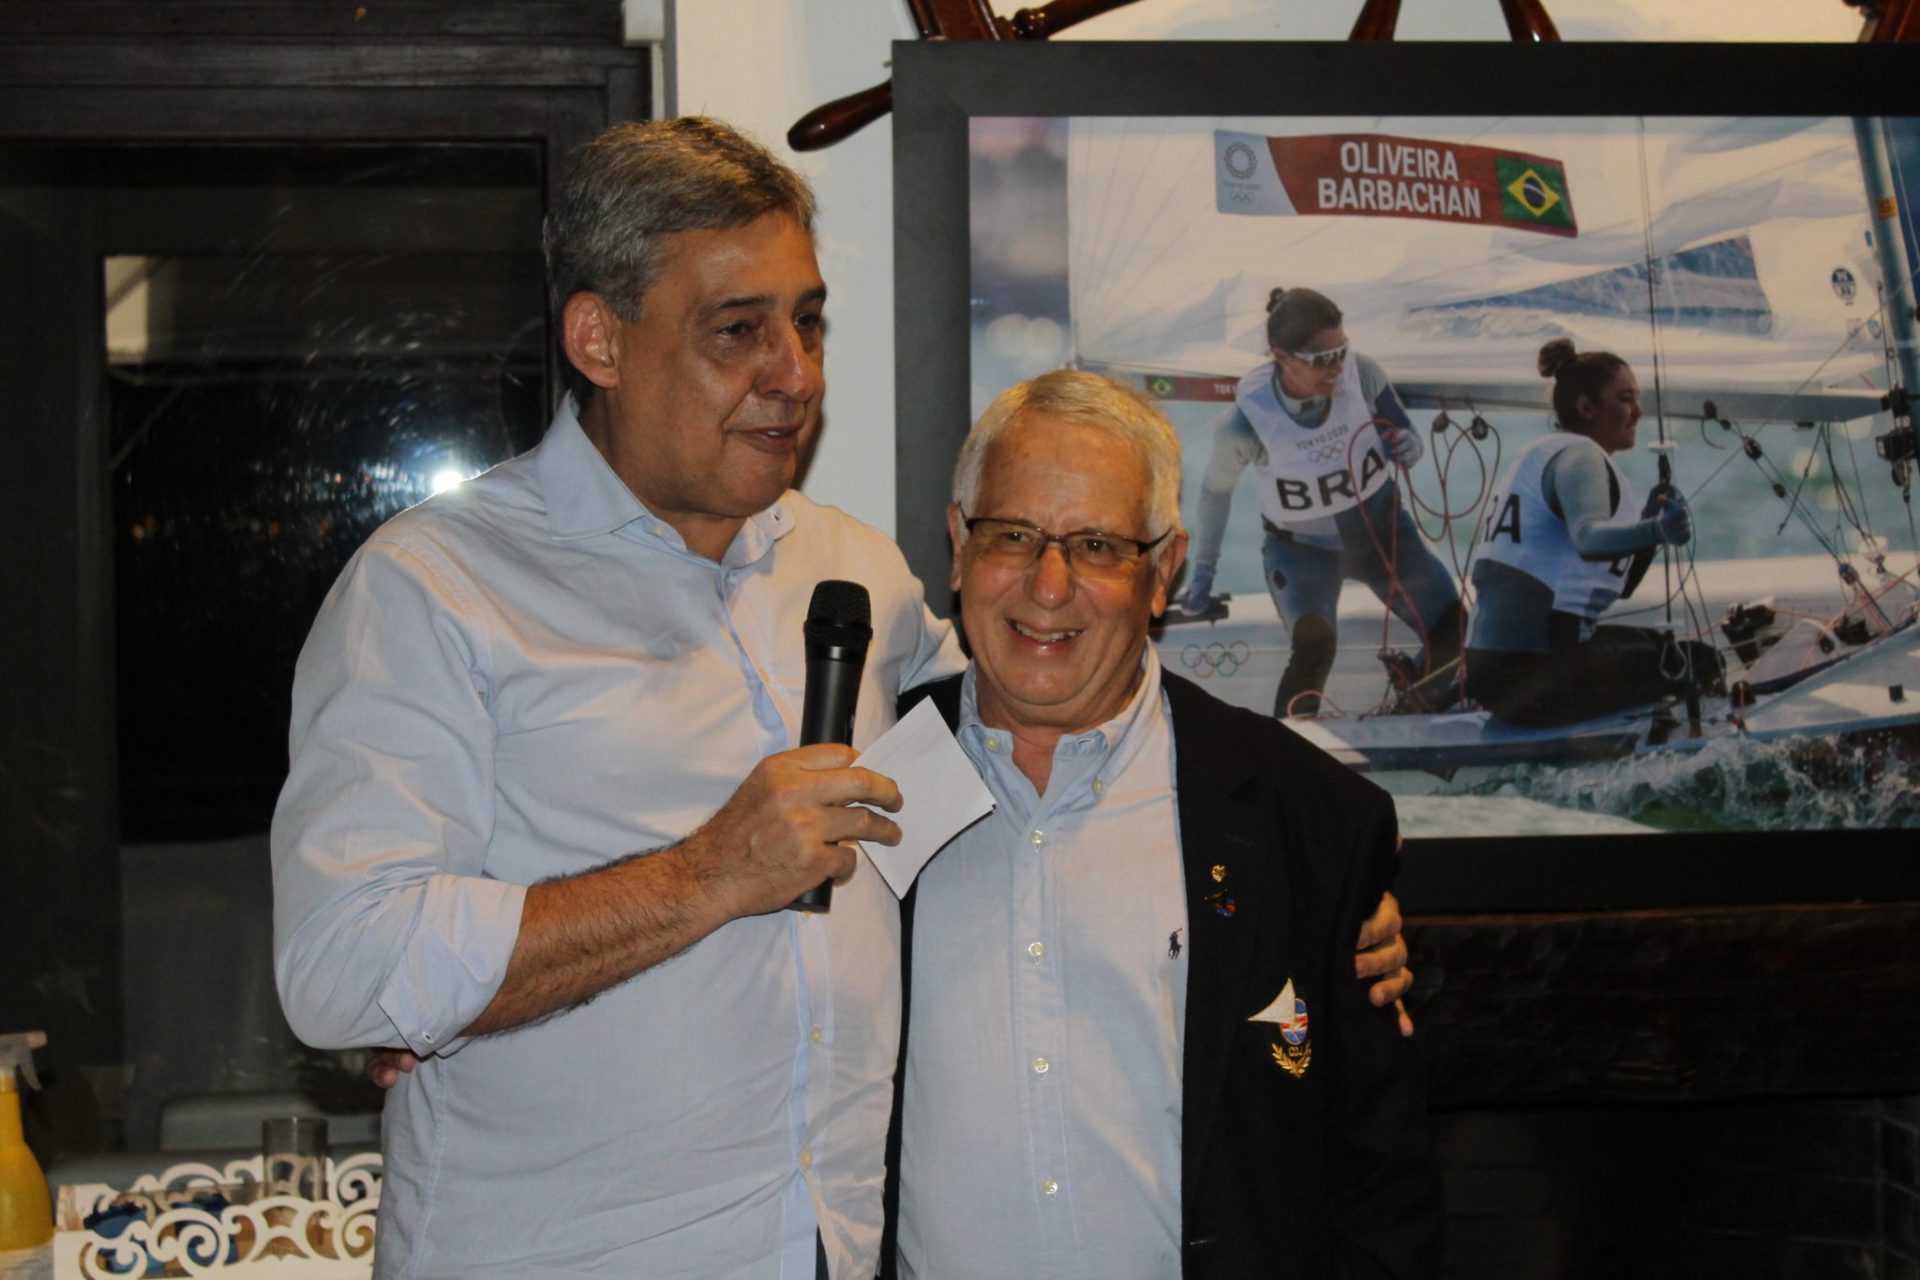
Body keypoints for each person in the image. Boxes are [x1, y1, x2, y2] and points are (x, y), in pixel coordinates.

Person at [278, 118, 1415, 1279]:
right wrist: (703, 875)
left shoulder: (854, 570)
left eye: (808, 321)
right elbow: (342, 967)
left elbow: (1050, 711)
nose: (796, 375)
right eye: (739, 330)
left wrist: (1305, 896)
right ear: (599, 338)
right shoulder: (437, 586)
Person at [893, 370, 1442, 1278]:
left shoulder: (1307, 818)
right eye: (1013, 535)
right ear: (958, 545)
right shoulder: (866, 788)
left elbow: (1382, 1185)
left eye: (1098, 545)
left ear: (1163, 571)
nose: (1048, 585)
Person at [1176, 287, 1465, 716]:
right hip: (1303, 553)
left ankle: (1408, 710)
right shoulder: (1245, 423)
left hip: (1383, 537)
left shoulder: (1363, 374)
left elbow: (1406, 433)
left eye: (1341, 352)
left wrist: (1409, 445)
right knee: (1315, 647)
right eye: (1321, 360)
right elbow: (1216, 493)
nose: (1337, 368)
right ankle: (1285, 747)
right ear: (1281, 357)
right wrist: (1203, 575)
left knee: (1455, 628)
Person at [1463, 338, 1724, 727]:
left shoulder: (1543, 454)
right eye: (1626, 398)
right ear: (1586, 408)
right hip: (1537, 673)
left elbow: (1623, 585)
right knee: (1702, 661)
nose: (1638, 412)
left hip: (1493, 677)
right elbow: (1588, 540)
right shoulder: (1580, 456)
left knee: (1663, 654)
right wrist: (1657, 530)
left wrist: (1648, 521)